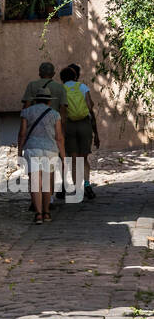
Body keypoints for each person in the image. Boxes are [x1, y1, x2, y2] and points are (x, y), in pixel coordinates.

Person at [18, 86, 66, 224]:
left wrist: (19, 152)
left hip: (32, 149)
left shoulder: (26, 112)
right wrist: (63, 157)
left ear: (35, 100)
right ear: (49, 101)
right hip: (50, 150)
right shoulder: (55, 114)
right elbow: (59, 137)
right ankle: (47, 213)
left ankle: (38, 214)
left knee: (35, 183)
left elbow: (22, 133)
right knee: (46, 183)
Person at [60, 64, 100, 199]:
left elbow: (62, 112)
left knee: (74, 158)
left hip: (69, 125)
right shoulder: (82, 87)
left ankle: (77, 188)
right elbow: (90, 106)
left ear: (62, 79)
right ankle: (87, 184)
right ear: (76, 77)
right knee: (84, 157)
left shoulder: (62, 89)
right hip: (84, 124)